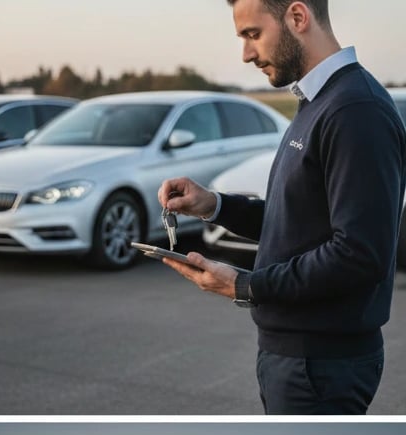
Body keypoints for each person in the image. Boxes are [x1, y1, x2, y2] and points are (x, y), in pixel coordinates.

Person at [157, 0, 406, 414]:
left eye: (253, 35)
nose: (246, 54)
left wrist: (247, 285)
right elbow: (299, 222)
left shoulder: (355, 110)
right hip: (297, 356)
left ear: (297, 17)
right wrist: (213, 205)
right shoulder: (320, 99)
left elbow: (360, 255)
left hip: (320, 363)